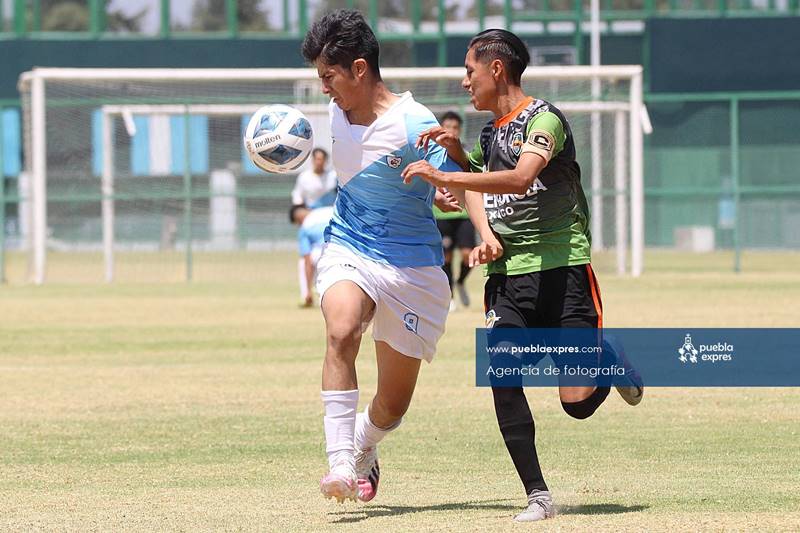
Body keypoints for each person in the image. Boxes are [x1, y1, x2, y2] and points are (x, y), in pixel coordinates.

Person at [401, 29, 644, 522]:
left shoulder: (544, 120)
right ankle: (539, 496)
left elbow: (519, 178)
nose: (464, 81)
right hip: (509, 277)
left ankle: (611, 358)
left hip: (564, 270)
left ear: (496, 69)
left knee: (575, 404)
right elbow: (485, 189)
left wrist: (447, 175)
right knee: (503, 375)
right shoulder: (490, 134)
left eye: (469, 70)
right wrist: (465, 179)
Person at [300, 9, 462, 504]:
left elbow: (448, 175)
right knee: (342, 328)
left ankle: (366, 446)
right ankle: (339, 465)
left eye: (329, 76)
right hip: (349, 245)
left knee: (392, 404)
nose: (324, 88)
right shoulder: (333, 112)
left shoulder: (416, 122)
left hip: (411, 265)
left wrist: (445, 191)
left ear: (360, 69)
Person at [433, 111, 477, 311]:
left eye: (455, 128)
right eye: (447, 127)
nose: (451, 131)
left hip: (464, 214)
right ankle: (449, 295)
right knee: (446, 256)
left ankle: (460, 282)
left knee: (469, 256)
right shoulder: (431, 154)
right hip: (441, 215)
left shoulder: (465, 155)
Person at [290, 204, 334, 307]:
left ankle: (306, 296)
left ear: (297, 221)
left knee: (303, 262)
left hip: (323, 252)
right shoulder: (329, 209)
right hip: (345, 248)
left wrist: (308, 289)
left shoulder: (304, 227)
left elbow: (307, 261)